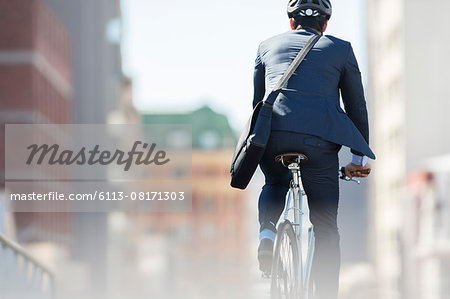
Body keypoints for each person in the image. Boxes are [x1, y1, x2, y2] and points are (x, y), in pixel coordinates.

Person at [254, 1, 374, 298]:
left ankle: (268, 232)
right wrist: (357, 158)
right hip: (318, 143)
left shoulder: (266, 47)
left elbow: (258, 104)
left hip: (272, 138)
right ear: (326, 24)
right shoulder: (341, 49)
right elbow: (356, 106)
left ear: (292, 23)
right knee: (325, 228)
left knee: (273, 181)